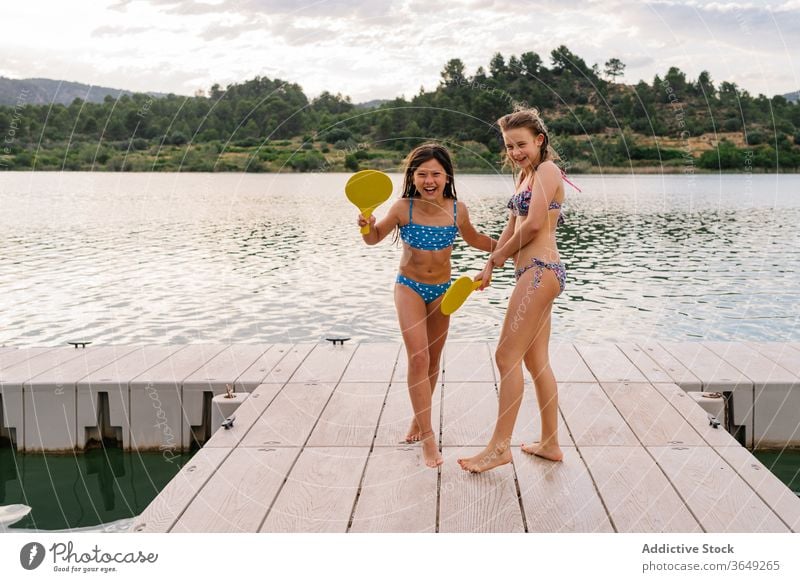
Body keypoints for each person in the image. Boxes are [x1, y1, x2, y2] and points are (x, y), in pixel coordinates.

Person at [357, 143, 496, 468]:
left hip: (443, 291)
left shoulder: (458, 209)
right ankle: (429, 437)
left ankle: (418, 420)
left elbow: (475, 240)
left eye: (435, 173)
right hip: (409, 288)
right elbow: (373, 238)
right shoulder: (403, 207)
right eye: (422, 174)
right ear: (413, 177)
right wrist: (365, 223)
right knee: (418, 357)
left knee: (433, 360)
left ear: (447, 176)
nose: (429, 180)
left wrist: (513, 245)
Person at [458, 108, 567, 473]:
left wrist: (502, 257)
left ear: (539, 140)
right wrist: (490, 262)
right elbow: (512, 227)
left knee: (506, 357)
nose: (515, 151)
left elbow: (535, 225)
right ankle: (550, 443)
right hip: (535, 273)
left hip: (539, 271)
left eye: (521, 144)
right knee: (535, 361)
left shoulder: (548, 171)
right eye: (509, 146)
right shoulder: (525, 176)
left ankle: (499, 448)